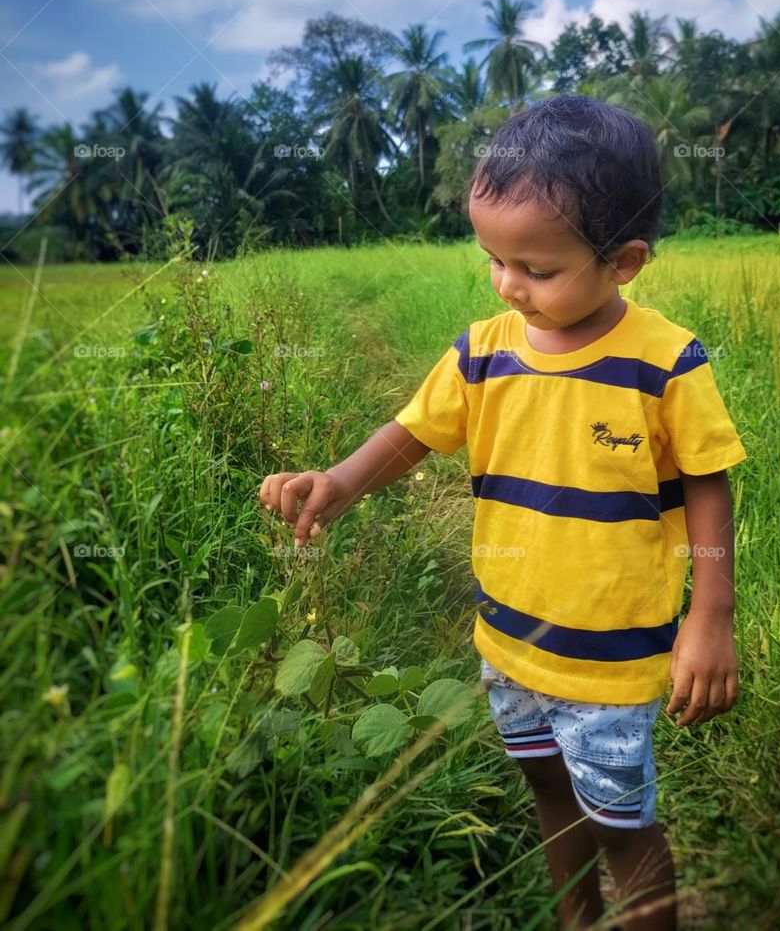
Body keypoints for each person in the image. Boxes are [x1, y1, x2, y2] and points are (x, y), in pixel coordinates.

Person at [258, 94, 747, 930]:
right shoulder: (482, 351)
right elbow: (415, 433)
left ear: (624, 261)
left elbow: (707, 482)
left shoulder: (664, 361)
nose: (509, 285)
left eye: (539, 269)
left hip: (608, 658)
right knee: (549, 796)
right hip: (508, 640)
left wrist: (712, 614)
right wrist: (341, 482)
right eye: (494, 259)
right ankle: (573, 920)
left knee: (623, 827)